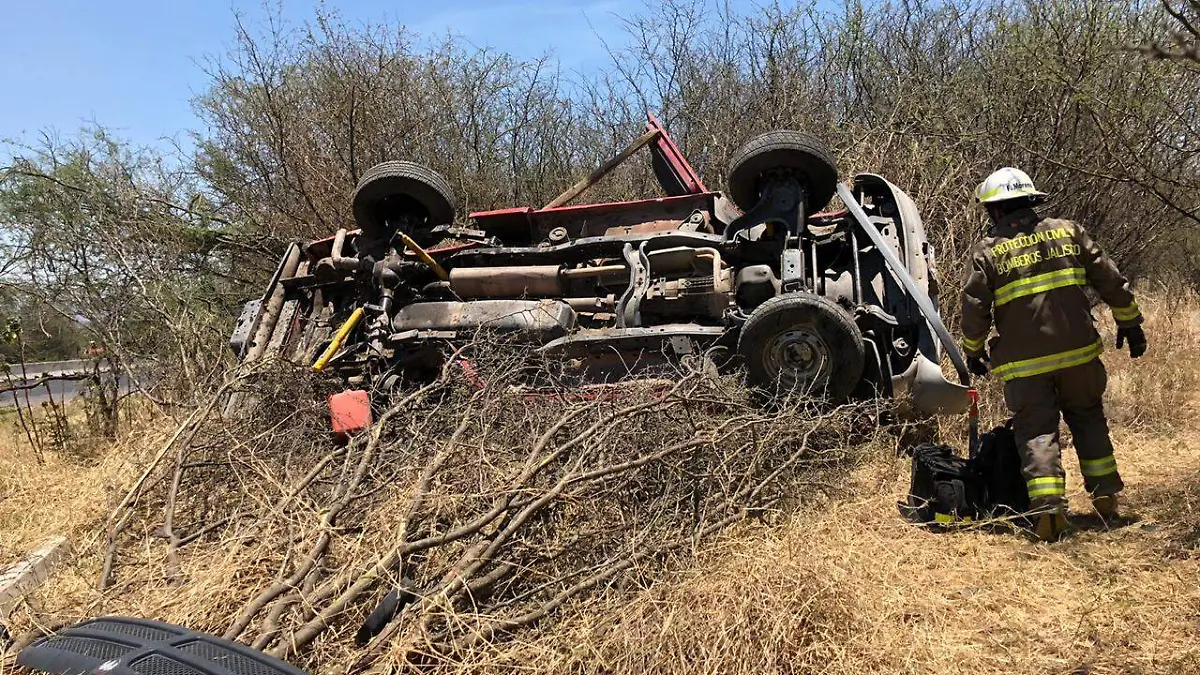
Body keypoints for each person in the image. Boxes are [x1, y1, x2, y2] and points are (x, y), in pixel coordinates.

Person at [960, 168, 1147, 542]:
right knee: (1089, 417)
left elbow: (974, 307)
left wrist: (973, 350)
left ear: (994, 211)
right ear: (1032, 201)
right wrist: (1130, 322)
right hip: (1079, 354)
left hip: (1025, 366)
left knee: (1036, 431)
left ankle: (1049, 514)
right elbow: (1109, 278)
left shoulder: (988, 251)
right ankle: (1106, 497)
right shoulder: (1068, 231)